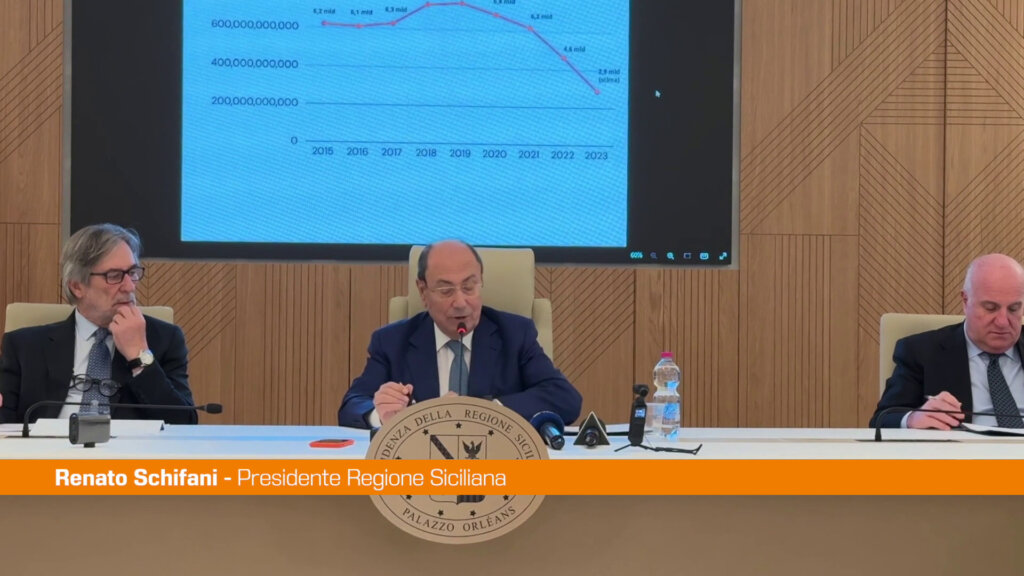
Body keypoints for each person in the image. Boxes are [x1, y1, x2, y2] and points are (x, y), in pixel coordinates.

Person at [339, 240, 582, 428]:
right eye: (446, 290)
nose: (460, 303)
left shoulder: (515, 334)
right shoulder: (392, 341)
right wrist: (382, 413)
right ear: (423, 291)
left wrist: (483, 411)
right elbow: (352, 406)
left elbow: (565, 399)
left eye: (469, 287)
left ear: (481, 282)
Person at [0, 224, 196, 424]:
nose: (129, 286)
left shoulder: (165, 339)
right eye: (114, 276)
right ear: (77, 286)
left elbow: (185, 423)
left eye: (132, 272)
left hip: (130, 445)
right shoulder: (24, 346)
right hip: (49, 444)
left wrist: (139, 357)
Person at [871, 253, 1024, 429]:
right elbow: (883, 418)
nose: (1003, 322)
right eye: (991, 308)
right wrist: (913, 418)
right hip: (965, 447)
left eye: (1014, 309)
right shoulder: (922, 352)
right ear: (965, 301)